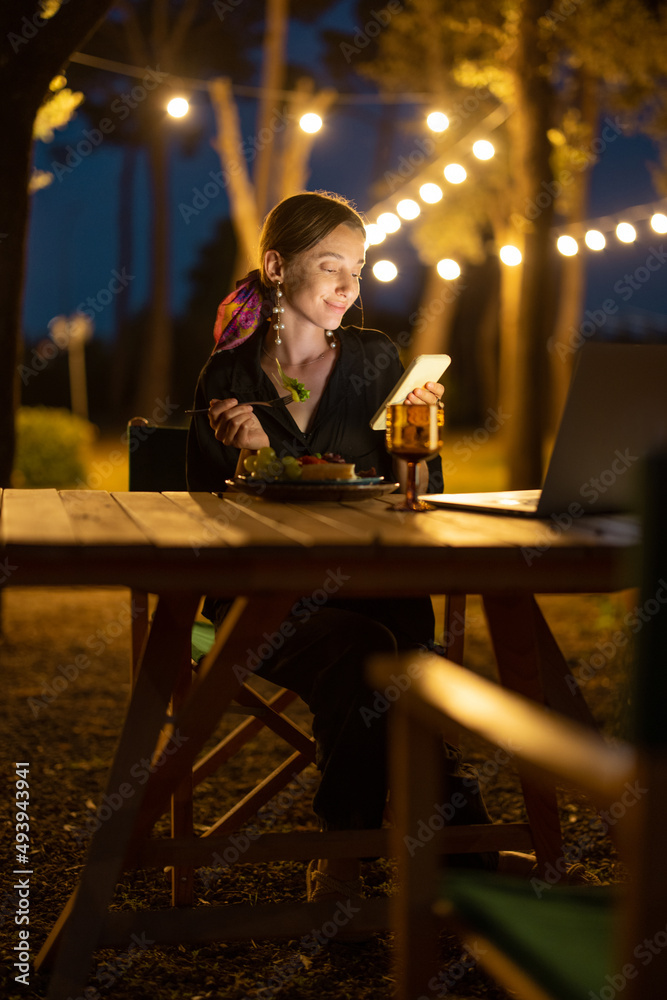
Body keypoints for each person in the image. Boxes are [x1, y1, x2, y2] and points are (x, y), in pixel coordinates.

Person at [186, 191, 529, 909]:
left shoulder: (374, 359)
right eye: (329, 265)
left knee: (391, 637)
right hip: (252, 601)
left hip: (370, 584)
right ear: (276, 268)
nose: (349, 286)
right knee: (367, 653)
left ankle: (389, 851)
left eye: (359, 268)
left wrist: (418, 436)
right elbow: (203, 528)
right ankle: (431, 852)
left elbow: (418, 497)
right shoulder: (229, 377)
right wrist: (242, 464)